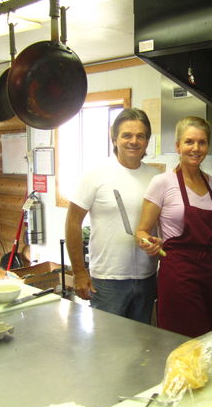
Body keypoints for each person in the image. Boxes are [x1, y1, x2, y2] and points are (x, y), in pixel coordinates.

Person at [135, 116, 212, 337]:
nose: (196, 148)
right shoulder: (163, 183)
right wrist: (149, 243)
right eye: (189, 142)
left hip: (209, 274)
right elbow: (141, 231)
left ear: (208, 146)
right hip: (179, 274)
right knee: (181, 342)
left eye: (202, 142)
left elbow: (209, 235)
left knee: (207, 341)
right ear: (178, 146)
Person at [65, 108, 160, 324]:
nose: (134, 141)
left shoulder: (156, 178)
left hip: (147, 277)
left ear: (147, 141)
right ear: (114, 138)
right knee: (107, 348)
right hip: (108, 280)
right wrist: (79, 272)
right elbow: (73, 222)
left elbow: (161, 225)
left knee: (140, 346)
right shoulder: (96, 174)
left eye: (140, 136)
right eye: (127, 135)